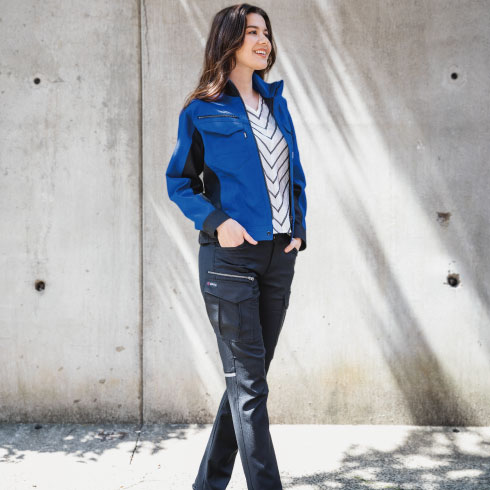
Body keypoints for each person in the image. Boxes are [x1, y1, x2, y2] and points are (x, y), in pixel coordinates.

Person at [165, 4, 307, 489]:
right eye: (251, 32)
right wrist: (217, 220)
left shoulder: (276, 105)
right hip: (229, 261)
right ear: (228, 40)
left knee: (247, 382)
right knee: (249, 387)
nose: (263, 41)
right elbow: (180, 183)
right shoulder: (201, 110)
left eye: (266, 32)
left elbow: (294, 176)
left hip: (279, 257)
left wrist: (299, 228)